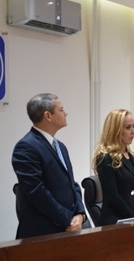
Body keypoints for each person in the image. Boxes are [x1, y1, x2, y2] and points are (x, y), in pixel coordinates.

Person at [11, 93, 86, 239]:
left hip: (67, 229)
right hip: (43, 233)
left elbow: (72, 184)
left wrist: (80, 213)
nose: (66, 113)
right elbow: (37, 192)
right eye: (61, 110)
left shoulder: (60, 146)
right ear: (48, 116)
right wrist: (67, 220)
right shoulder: (26, 147)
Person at [92, 109, 134, 225]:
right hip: (116, 220)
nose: (133, 131)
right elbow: (112, 196)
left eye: (133, 126)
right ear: (115, 130)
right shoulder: (105, 158)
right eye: (128, 127)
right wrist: (133, 218)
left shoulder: (130, 156)